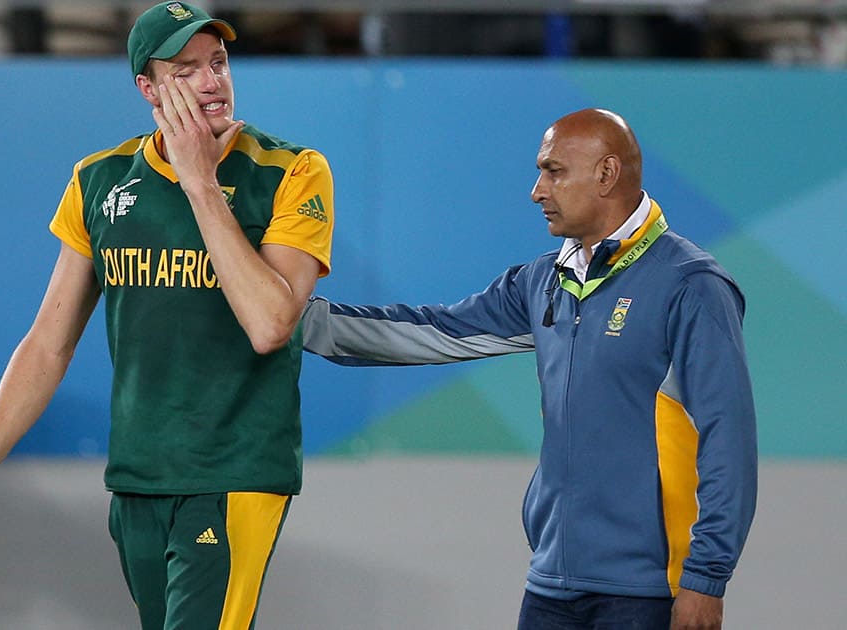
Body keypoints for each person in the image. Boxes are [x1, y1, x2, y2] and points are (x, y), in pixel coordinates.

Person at [0, 3, 335, 629]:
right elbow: (48, 344)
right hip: (138, 475)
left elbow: (271, 324)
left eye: (218, 64)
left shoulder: (292, 171)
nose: (211, 82)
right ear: (147, 88)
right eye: (186, 70)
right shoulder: (100, 180)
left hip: (235, 471)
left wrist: (200, 183)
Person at [301, 108, 756, 630]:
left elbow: (729, 440)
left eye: (554, 170)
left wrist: (706, 578)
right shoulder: (541, 282)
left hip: (648, 591)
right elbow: (430, 331)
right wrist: (294, 319)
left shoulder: (690, 285)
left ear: (606, 174)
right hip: (552, 583)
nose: (537, 190)